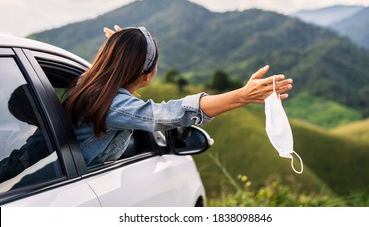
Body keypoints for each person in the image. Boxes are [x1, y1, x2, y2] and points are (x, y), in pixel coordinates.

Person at [63, 25, 293, 166]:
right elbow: (166, 114)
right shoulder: (113, 106)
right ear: (147, 76)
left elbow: (110, 68)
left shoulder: (87, 84)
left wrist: (120, 51)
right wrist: (242, 95)